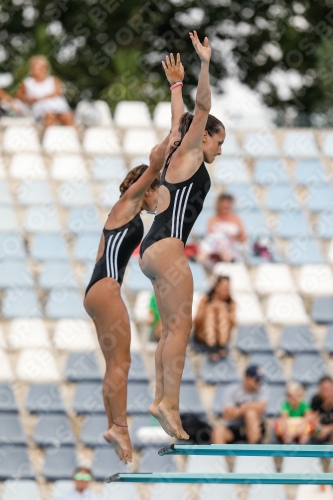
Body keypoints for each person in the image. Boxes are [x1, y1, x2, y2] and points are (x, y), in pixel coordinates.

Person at [83, 53, 185, 464]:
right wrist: (176, 89)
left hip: (100, 288)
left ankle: (116, 426)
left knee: (118, 361)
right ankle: (117, 427)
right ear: (145, 188)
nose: (159, 196)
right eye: (155, 189)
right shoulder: (127, 201)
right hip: (105, 289)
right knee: (121, 362)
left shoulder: (126, 213)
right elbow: (165, 150)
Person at [140, 31, 225, 440]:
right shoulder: (192, 148)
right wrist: (205, 64)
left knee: (169, 329)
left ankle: (161, 399)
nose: (220, 150)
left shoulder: (177, 145)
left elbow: (179, 117)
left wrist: (175, 84)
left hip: (151, 250)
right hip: (169, 249)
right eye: (219, 140)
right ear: (204, 135)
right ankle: (168, 404)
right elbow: (201, 107)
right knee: (180, 330)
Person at [214, 365, 268, 444]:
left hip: (256, 427)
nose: (258, 383)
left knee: (250, 414)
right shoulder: (232, 389)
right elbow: (228, 413)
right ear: (247, 378)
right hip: (235, 428)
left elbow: (261, 408)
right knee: (218, 432)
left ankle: (255, 451)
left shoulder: (262, 388)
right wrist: (250, 406)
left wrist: (237, 410)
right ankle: (218, 455)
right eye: (256, 380)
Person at [15, 55, 74, 127]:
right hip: (40, 111)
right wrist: (27, 100)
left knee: (68, 116)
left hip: (59, 108)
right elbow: (18, 98)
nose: (37, 69)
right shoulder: (27, 82)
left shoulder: (54, 80)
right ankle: (48, 137)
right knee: (49, 115)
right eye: (35, 67)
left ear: (45, 68)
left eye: (40, 67)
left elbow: (57, 93)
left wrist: (37, 98)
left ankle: (74, 136)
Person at [198, 193, 247, 269]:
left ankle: (227, 270)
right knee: (204, 252)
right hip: (215, 248)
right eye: (223, 204)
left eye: (228, 204)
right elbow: (209, 237)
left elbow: (243, 238)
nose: (226, 206)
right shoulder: (212, 219)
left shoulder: (236, 220)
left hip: (231, 247)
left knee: (225, 253)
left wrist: (234, 237)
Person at [194, 276, 235, 361]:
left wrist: (223, 311)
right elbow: (197, 321)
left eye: (227, 288)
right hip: (203, 334)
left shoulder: (231, 303)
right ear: (217, 287)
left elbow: (233, 323)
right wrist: (209, 309)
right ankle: (212, 347)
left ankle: (221, 346)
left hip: (222, 335)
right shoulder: (205, 299)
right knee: (210, 311)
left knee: (222, 311)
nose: (226, 291)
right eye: (223, 288)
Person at [311, 376, 333, 444]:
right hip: (320, 432)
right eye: (324, 389)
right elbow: (313, 417)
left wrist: (327, 429)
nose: (326, 391)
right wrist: (318, 428)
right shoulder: (316, 400)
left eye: (328, 388)